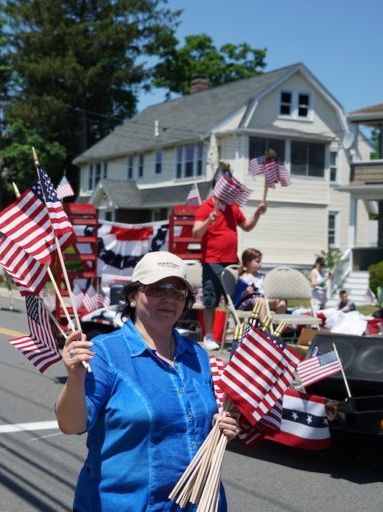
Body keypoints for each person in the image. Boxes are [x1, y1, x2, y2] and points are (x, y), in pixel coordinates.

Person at [56, 251, 239, 511]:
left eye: (177, 291)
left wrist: (220, 428)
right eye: (156, 288)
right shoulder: (104, 353)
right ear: (132, 295)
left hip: (198, 504)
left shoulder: (196, 354)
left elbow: (194, 421)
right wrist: (74, 380)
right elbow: (70, 425)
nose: (168, 298)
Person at [193, 168, 266, 350]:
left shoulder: (233, 208)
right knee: (211, 299)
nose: (232, 192)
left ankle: (239, 335)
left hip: (231, 261)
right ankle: (209, 336)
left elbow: (247, 226)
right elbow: (195, 234)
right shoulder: (205, 208)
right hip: (212, 261)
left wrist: (257, 213)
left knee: (235, 298)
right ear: (219, 189)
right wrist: (209, 220)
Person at [233, 248, 286, 314]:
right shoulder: (242, 279)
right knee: (260, 301)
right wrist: (246, 293)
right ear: (248, 262)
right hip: (247, 303)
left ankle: (280, 323)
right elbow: (237, 298)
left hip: (263, 300)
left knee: (280, 301)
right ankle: (264, 324)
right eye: (257, 262)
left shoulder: (262, 277)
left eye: (260, 262)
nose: (260, 264)